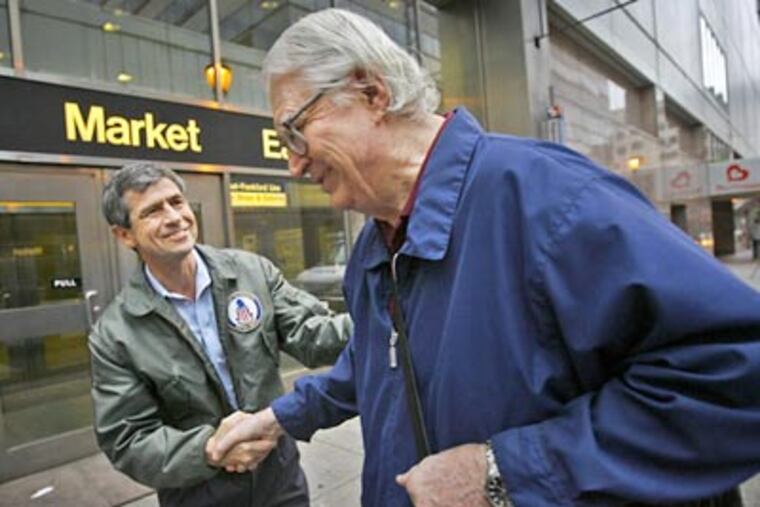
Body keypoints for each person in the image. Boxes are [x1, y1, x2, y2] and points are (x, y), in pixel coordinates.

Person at [210, 9, 760, 507]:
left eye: (294, 132)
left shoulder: (548, 200)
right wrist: (280, 416)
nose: (294, 166)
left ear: (371, 92)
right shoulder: (375, 247)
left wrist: (503, 472)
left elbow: (735, 374)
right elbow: (375, 364)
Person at [88, 162, 352, 506]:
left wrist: (385, 317)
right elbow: (127, 440)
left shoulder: (250, 272)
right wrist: (209, 450)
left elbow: (313, 335)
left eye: (176, 201)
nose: (174, 217)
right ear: (124, 235)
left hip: (280, 479)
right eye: (152, 211)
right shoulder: (115, 334)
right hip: (199, 493)